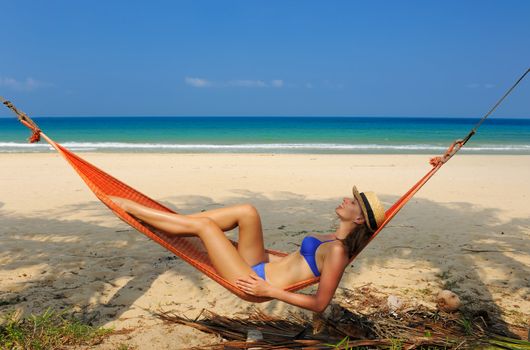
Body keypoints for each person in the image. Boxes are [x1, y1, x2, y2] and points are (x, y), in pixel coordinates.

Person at [108, 186, 385, 312]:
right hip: (261, 264)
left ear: (359, 219)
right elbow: (299, 261)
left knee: (206, 227)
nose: (346, 200)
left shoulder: (338, 252)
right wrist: (431, 167)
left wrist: (270, 292)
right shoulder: (331, 238)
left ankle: (135, 209)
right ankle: (172, 221)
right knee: (248, 212)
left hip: (254, 282)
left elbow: (320, 304)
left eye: (353, 203)